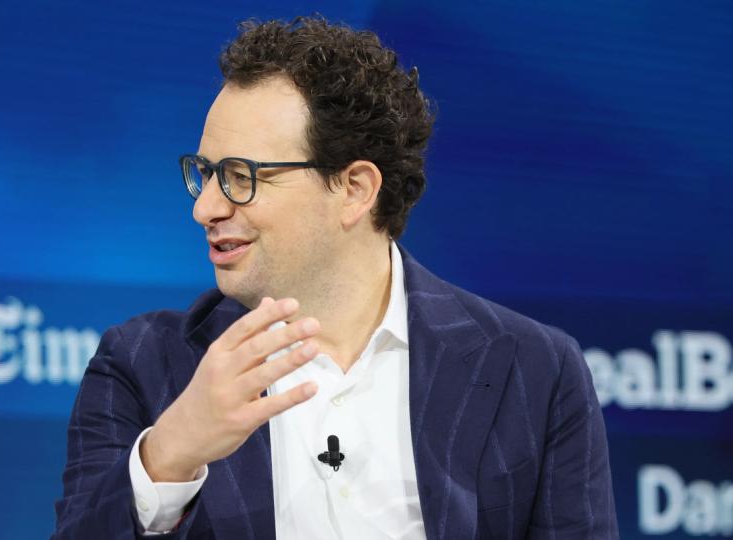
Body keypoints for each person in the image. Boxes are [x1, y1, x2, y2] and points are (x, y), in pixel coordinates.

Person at [53, 16, 618, 540]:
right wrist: (170, 454)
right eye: (205, 173)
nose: (206, 209)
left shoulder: (532, 369)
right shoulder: (142, 363)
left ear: (354, 190)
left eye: (241, 177)